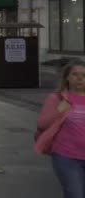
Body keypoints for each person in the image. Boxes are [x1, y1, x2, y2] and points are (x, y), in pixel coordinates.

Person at [36, 60, 85, 198]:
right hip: (67, 157)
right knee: (75, 194)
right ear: (67, 78)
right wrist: (59, 110)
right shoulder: (56, 98)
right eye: (75, 74)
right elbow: (42, 124)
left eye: (84, 75)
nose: (80, 78)